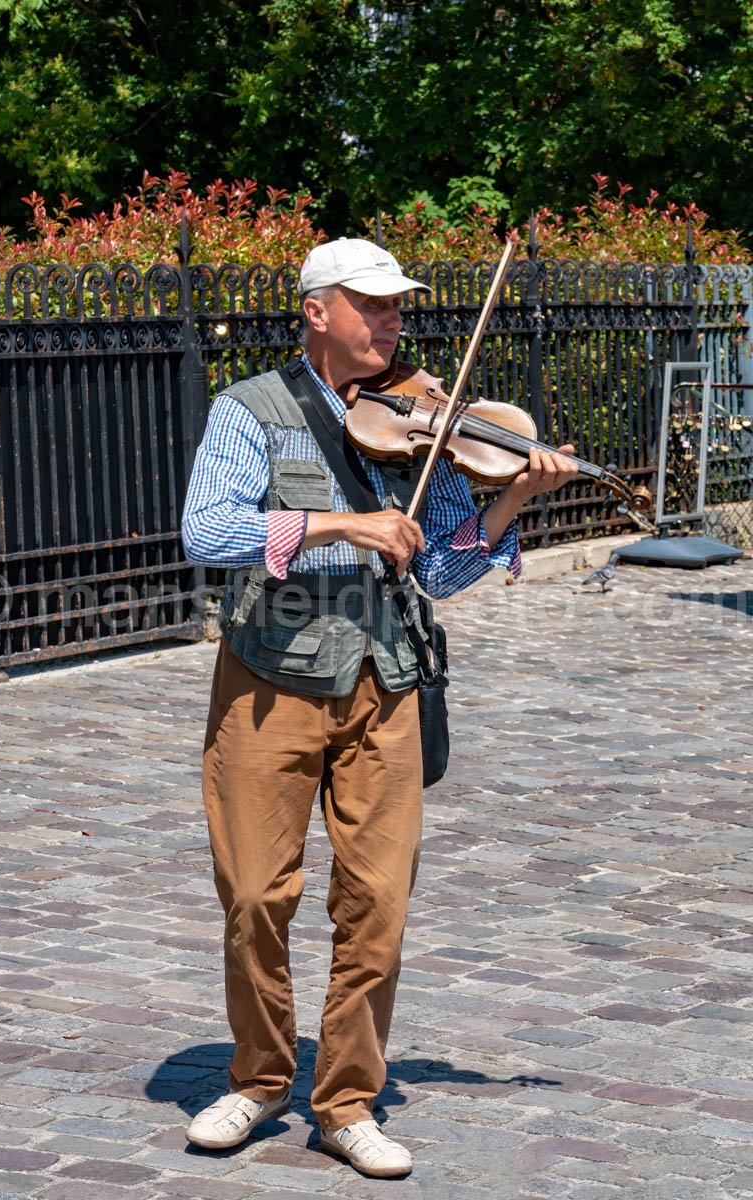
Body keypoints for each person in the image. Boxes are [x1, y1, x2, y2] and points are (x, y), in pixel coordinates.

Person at [180, 238, 578, 1179]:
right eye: (376, 306)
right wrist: (338, 523)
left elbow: (436, 567)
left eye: (400, 306)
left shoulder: (424, 423)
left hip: (384, 682)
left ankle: (348, 1100)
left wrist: (511, 500)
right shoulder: (250, 411)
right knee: (252, 897)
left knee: (378, 906)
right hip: (268, 680)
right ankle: (258, 1077)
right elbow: (207, 530)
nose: (395, 321)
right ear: (319, 310)